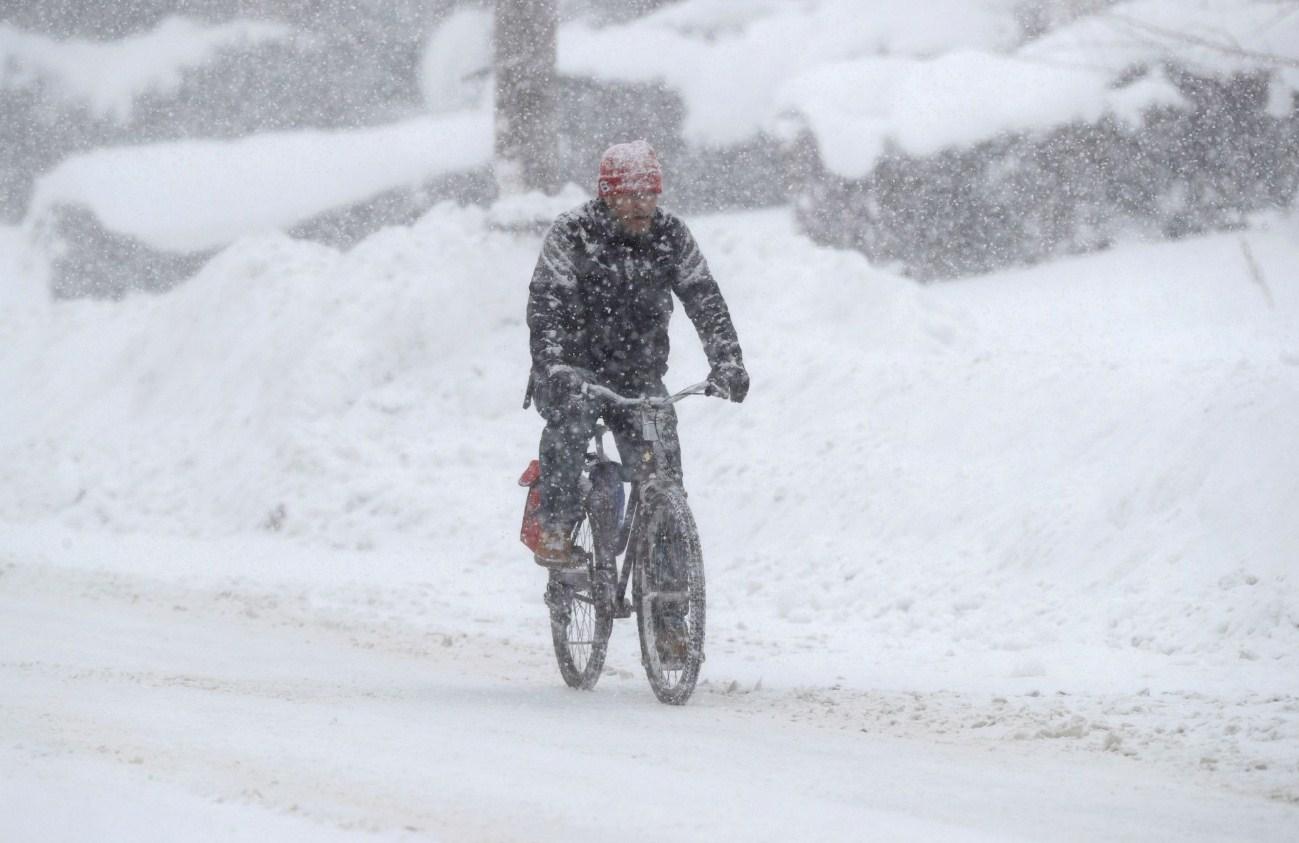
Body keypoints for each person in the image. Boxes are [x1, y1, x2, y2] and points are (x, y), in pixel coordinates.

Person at [525, 139, 748, 567]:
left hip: (639, 375)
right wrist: (553, 365)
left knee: (663, 477)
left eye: (648, 194)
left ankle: (669, 612)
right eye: (628, 195)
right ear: (606, 194)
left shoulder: (671, 236)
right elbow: (545, 307)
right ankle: (555, 528)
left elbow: (704, 298)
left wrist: (728, 360)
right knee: (569, 425)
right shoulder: (573, 233)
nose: (640, 205)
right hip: (574, 371)